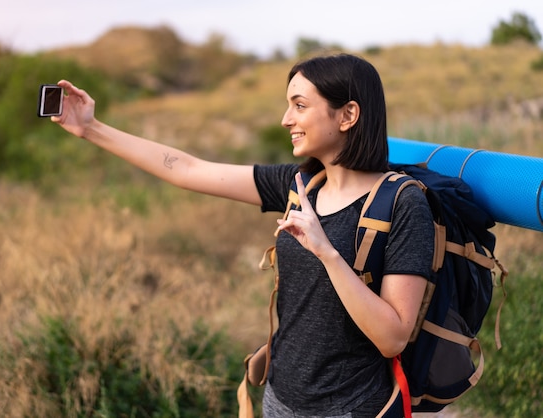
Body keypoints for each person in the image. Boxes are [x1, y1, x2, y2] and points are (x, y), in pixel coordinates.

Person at [52, 53, 435, 418]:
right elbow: (187, 169)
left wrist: (327, 253)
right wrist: (91, 128)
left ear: (348, 114)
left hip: (349, 408)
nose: (286, 119)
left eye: (300, 106)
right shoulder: (300, 184)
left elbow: (393, 338)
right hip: (278, 398)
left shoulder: (402, 204)